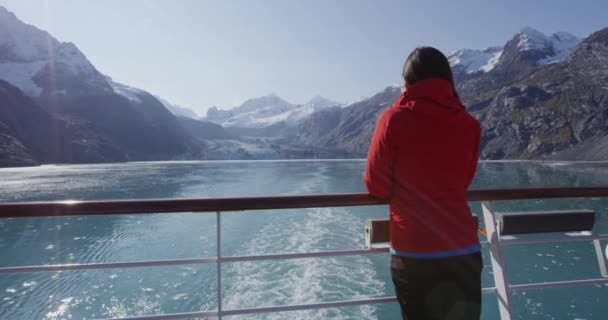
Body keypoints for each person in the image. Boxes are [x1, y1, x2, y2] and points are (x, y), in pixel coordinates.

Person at [364, 47, 482, 320]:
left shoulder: (393, 119)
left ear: (407, 83)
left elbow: (375, 186)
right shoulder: (469, 124)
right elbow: (463, 181)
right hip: (463, 251)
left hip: (414, 253)